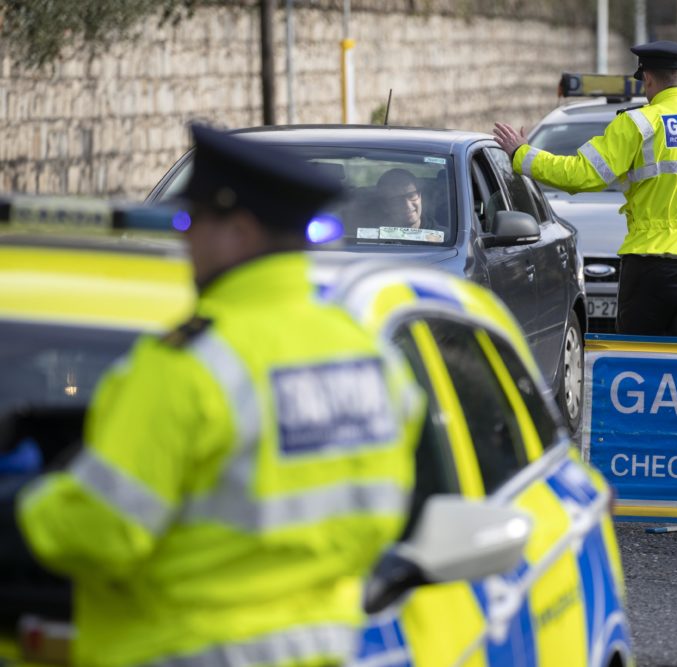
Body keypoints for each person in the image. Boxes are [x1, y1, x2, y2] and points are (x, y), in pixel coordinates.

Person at [5, 124, 424, 667]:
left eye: (188, 220)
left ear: (239, 231)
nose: (181, 239)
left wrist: (21, 506)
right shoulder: (371, 358)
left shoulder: (191, 368)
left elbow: (102, 529)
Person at [494, 40, 677, 337]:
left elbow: (580, 175)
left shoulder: (638, 124)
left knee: (639, 363)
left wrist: (522, 154)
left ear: (647, 78)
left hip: (649, 270)